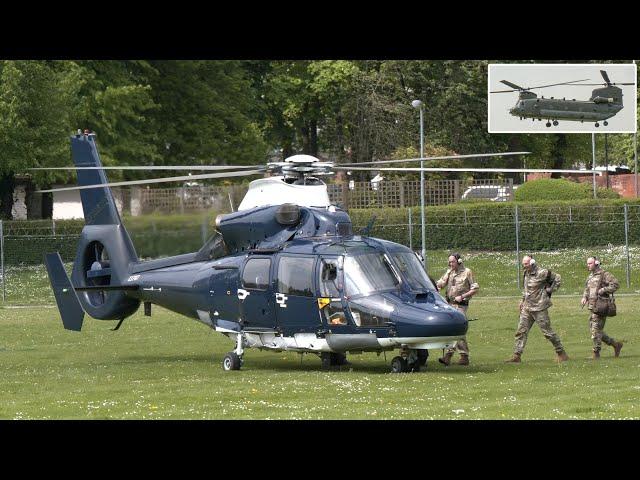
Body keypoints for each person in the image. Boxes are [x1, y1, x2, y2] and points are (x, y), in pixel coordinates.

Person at [505, 255, 569, 363]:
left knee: (547, 332)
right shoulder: (526, 273)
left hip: (539, 308)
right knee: (521, 331)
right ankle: (517, 355)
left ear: (532, 262)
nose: (524, 266)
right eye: (523, 264)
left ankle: (561, 353)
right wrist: (522, 300)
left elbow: (557, 278)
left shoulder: (542, 272)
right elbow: (526, 289)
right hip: (527, 308)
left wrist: (550, 290)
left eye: (526, 264)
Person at [435, 253, 479, 366]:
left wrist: (462, 296)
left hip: (461, 305)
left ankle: (457, 356)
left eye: (452, 262)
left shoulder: (467, 272)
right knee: (450, 330)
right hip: (449, 305)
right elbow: (442, 283)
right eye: (449, 262)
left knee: (458, 329)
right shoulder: (449, 272)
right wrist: (436, 285)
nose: (450, 264)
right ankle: (457, 356)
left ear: (459, 261)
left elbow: (475, 289)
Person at [581, 256, 623, 359]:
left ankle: (596, 353)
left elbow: (616, 284)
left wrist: (604, 289)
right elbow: (587, 288)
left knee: (595, 330)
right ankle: (615, 344)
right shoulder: (590, 276)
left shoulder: (604, 274)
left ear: (596, 263)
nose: (588, 265)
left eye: (590, 263)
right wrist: (584, 298)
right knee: (596, 330)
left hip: (601, 307)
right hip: (592, 307)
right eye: (587, 263)